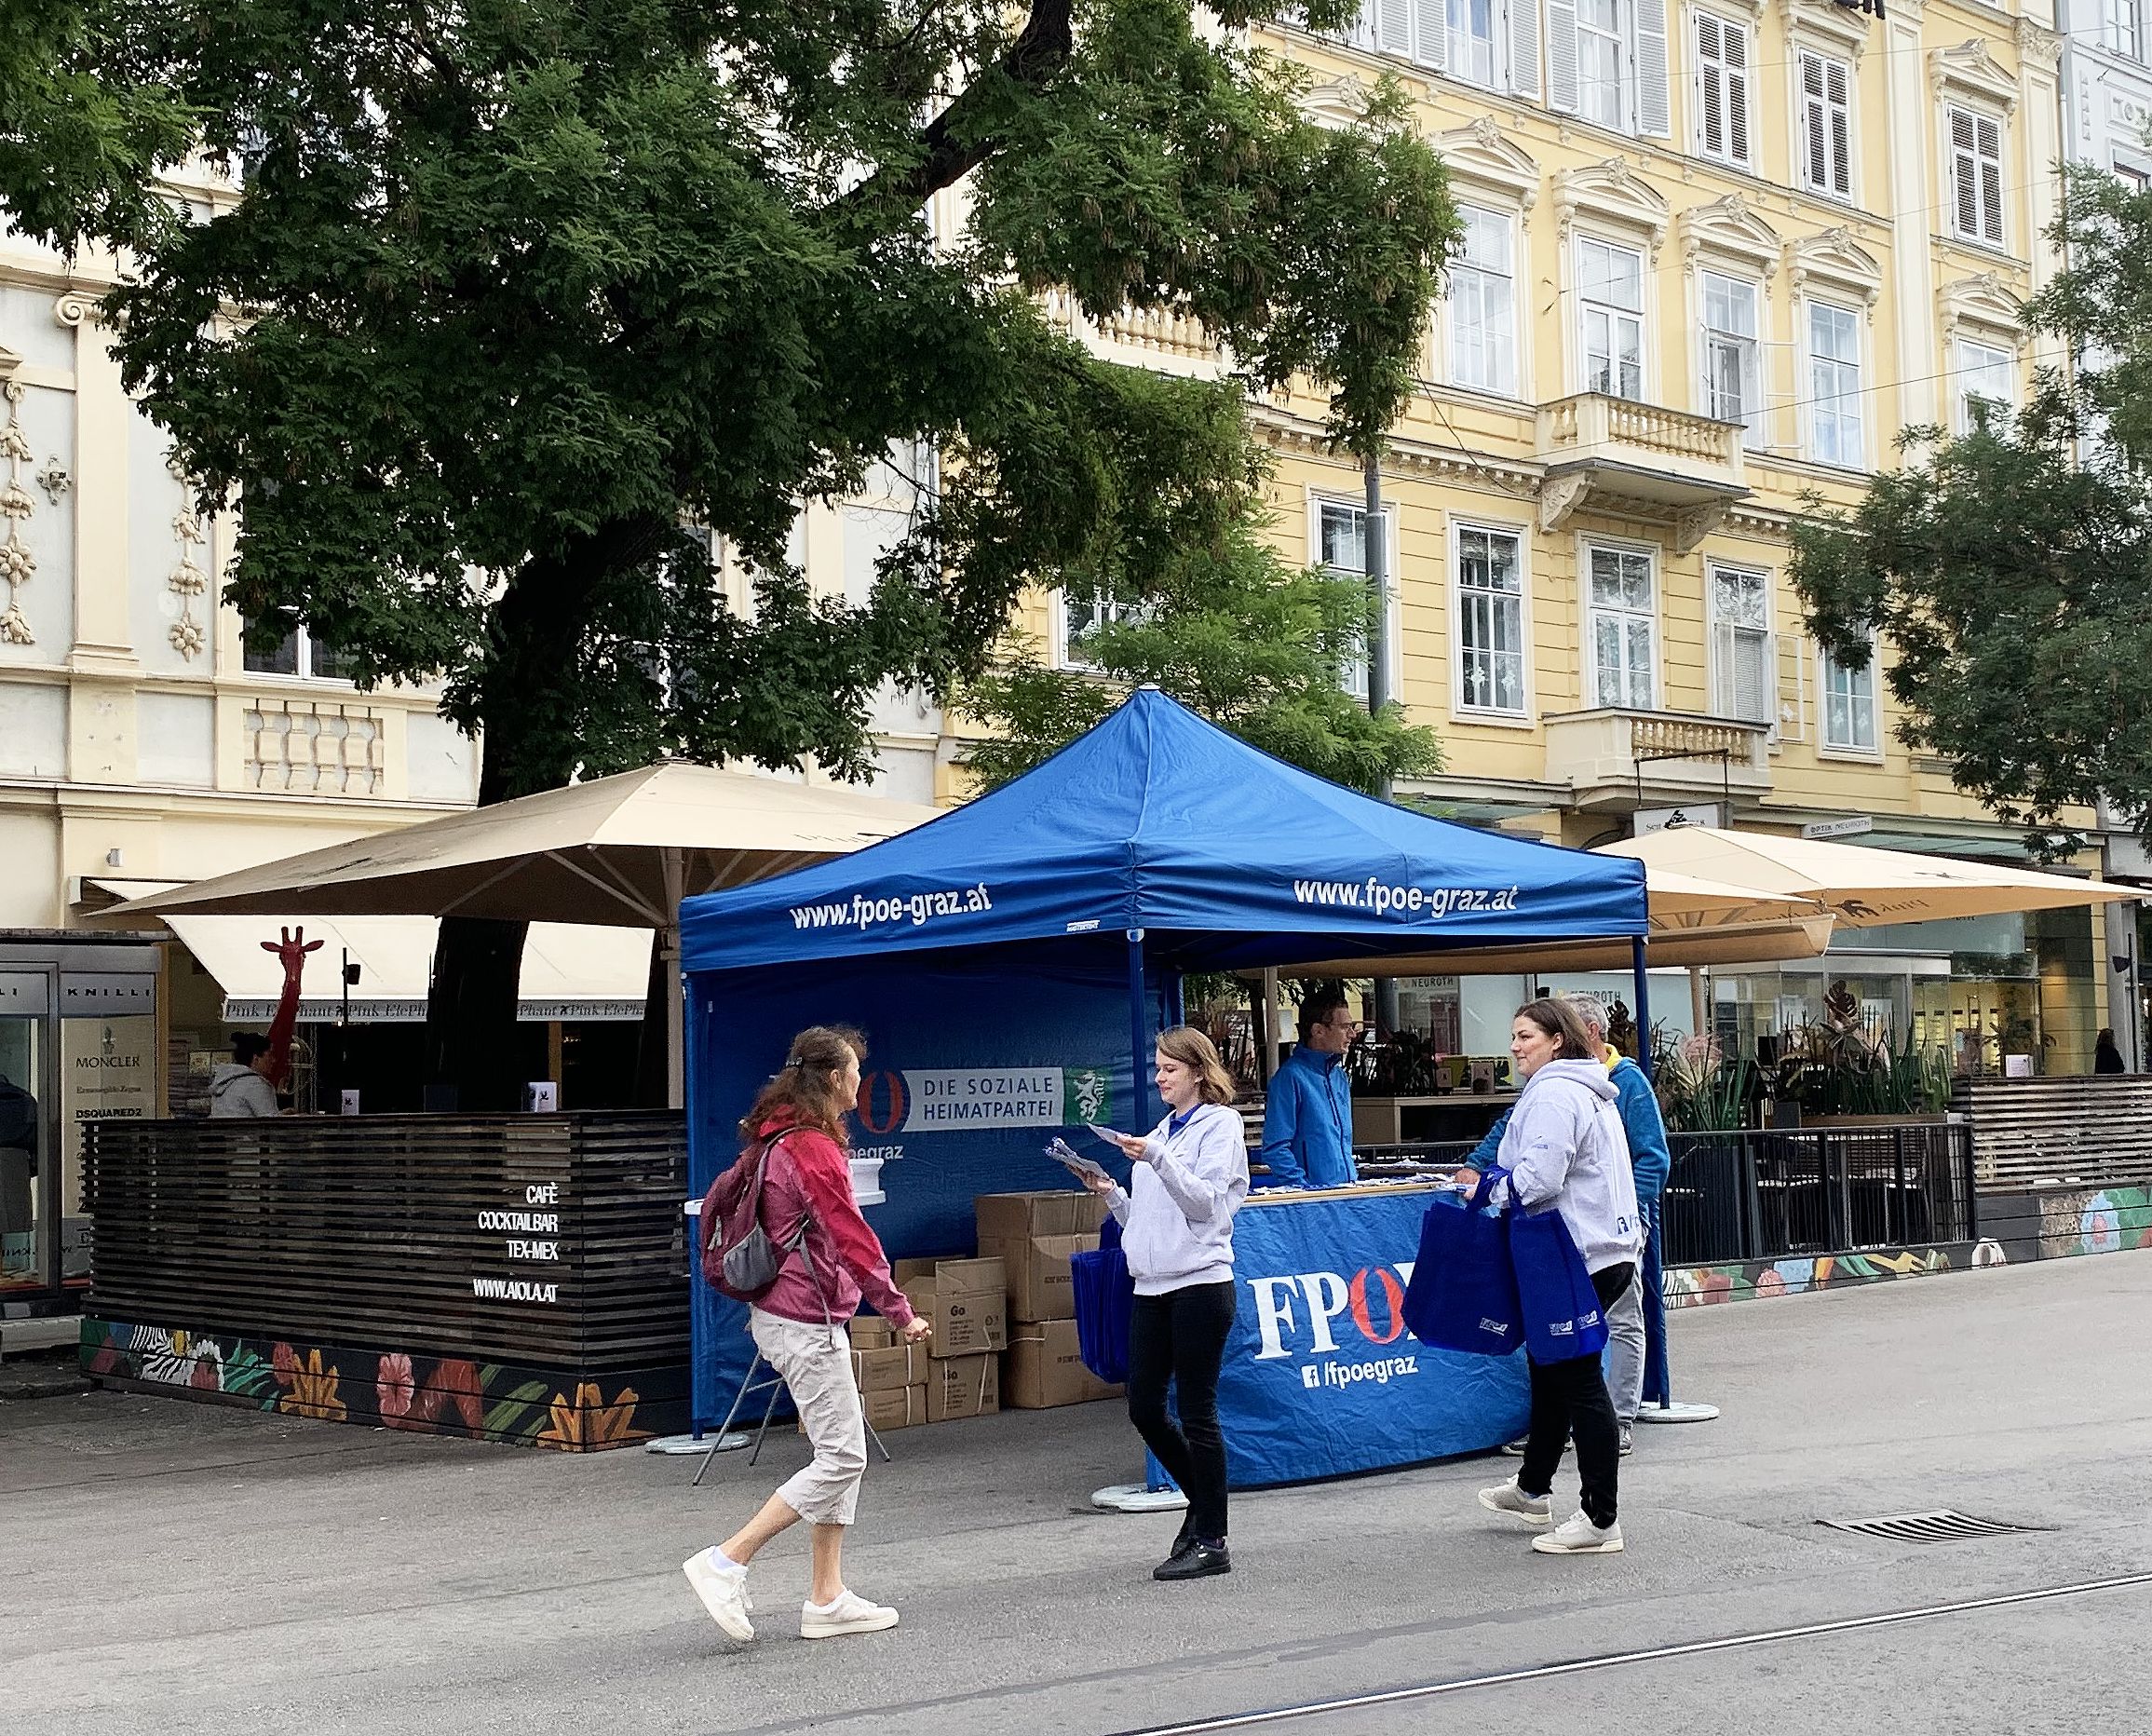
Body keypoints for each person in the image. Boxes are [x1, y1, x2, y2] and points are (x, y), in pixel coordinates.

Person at [683, 1025, 931, 1643]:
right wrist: (899, 1311)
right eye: (853, 1071)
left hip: (788, 1313)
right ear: (831, 1078)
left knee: (837, 1452)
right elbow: (852, 1236)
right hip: (806, 1319)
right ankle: (726, 1560)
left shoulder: (776, 1136)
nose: (859, 1082)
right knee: (844, 1456)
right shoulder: (813, 1148)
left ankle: (826, 1597)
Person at [1458, 998, 1642, 1556]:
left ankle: (1600, 1519)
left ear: (1557, 1040)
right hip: (1601, 1248)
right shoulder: (1588, 1088)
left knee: (1580, 1383)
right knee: (1550, 1367)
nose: (1514, 1047)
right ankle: (1533, 1488)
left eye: (1525, 1036)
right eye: (1514, 1036)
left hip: (1574, 1254)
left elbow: (1537, 1179)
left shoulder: (1555, 1094)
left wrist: (1484, 1188)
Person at [1080, 1025, 1250, 1581]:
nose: (1159, 1078)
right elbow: (1151, 1221)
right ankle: (1202, 1506)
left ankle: (1213, 1537)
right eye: (1157, 1068)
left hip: (1201, 1284)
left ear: (1199, 1072)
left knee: (1197, 1410)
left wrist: (1157, 1157)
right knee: (1144, 1407)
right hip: (1152, 1286)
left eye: (1169, 1069)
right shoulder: (1161, 1132)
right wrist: (1113, 1193)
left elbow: (1202, 1205)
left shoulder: (1220, 1126)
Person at [1258, 987, 1358, 1188]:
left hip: (1345, 1193)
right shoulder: (1289, 1077)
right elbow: (1275, 1148)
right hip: (1314, 1199)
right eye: (1345, 1026)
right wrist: (1303, 1189)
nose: (1352, 1034)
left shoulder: (1339, 1076)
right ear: (1318, 1030)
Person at [208, 1033, 281, 1118]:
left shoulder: (225, 1081)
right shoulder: (256, 1085)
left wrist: (280, 1114)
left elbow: (241, 1112)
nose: (273, 1060)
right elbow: (271, 1125)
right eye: (270, 1055)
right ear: (256, 1059)